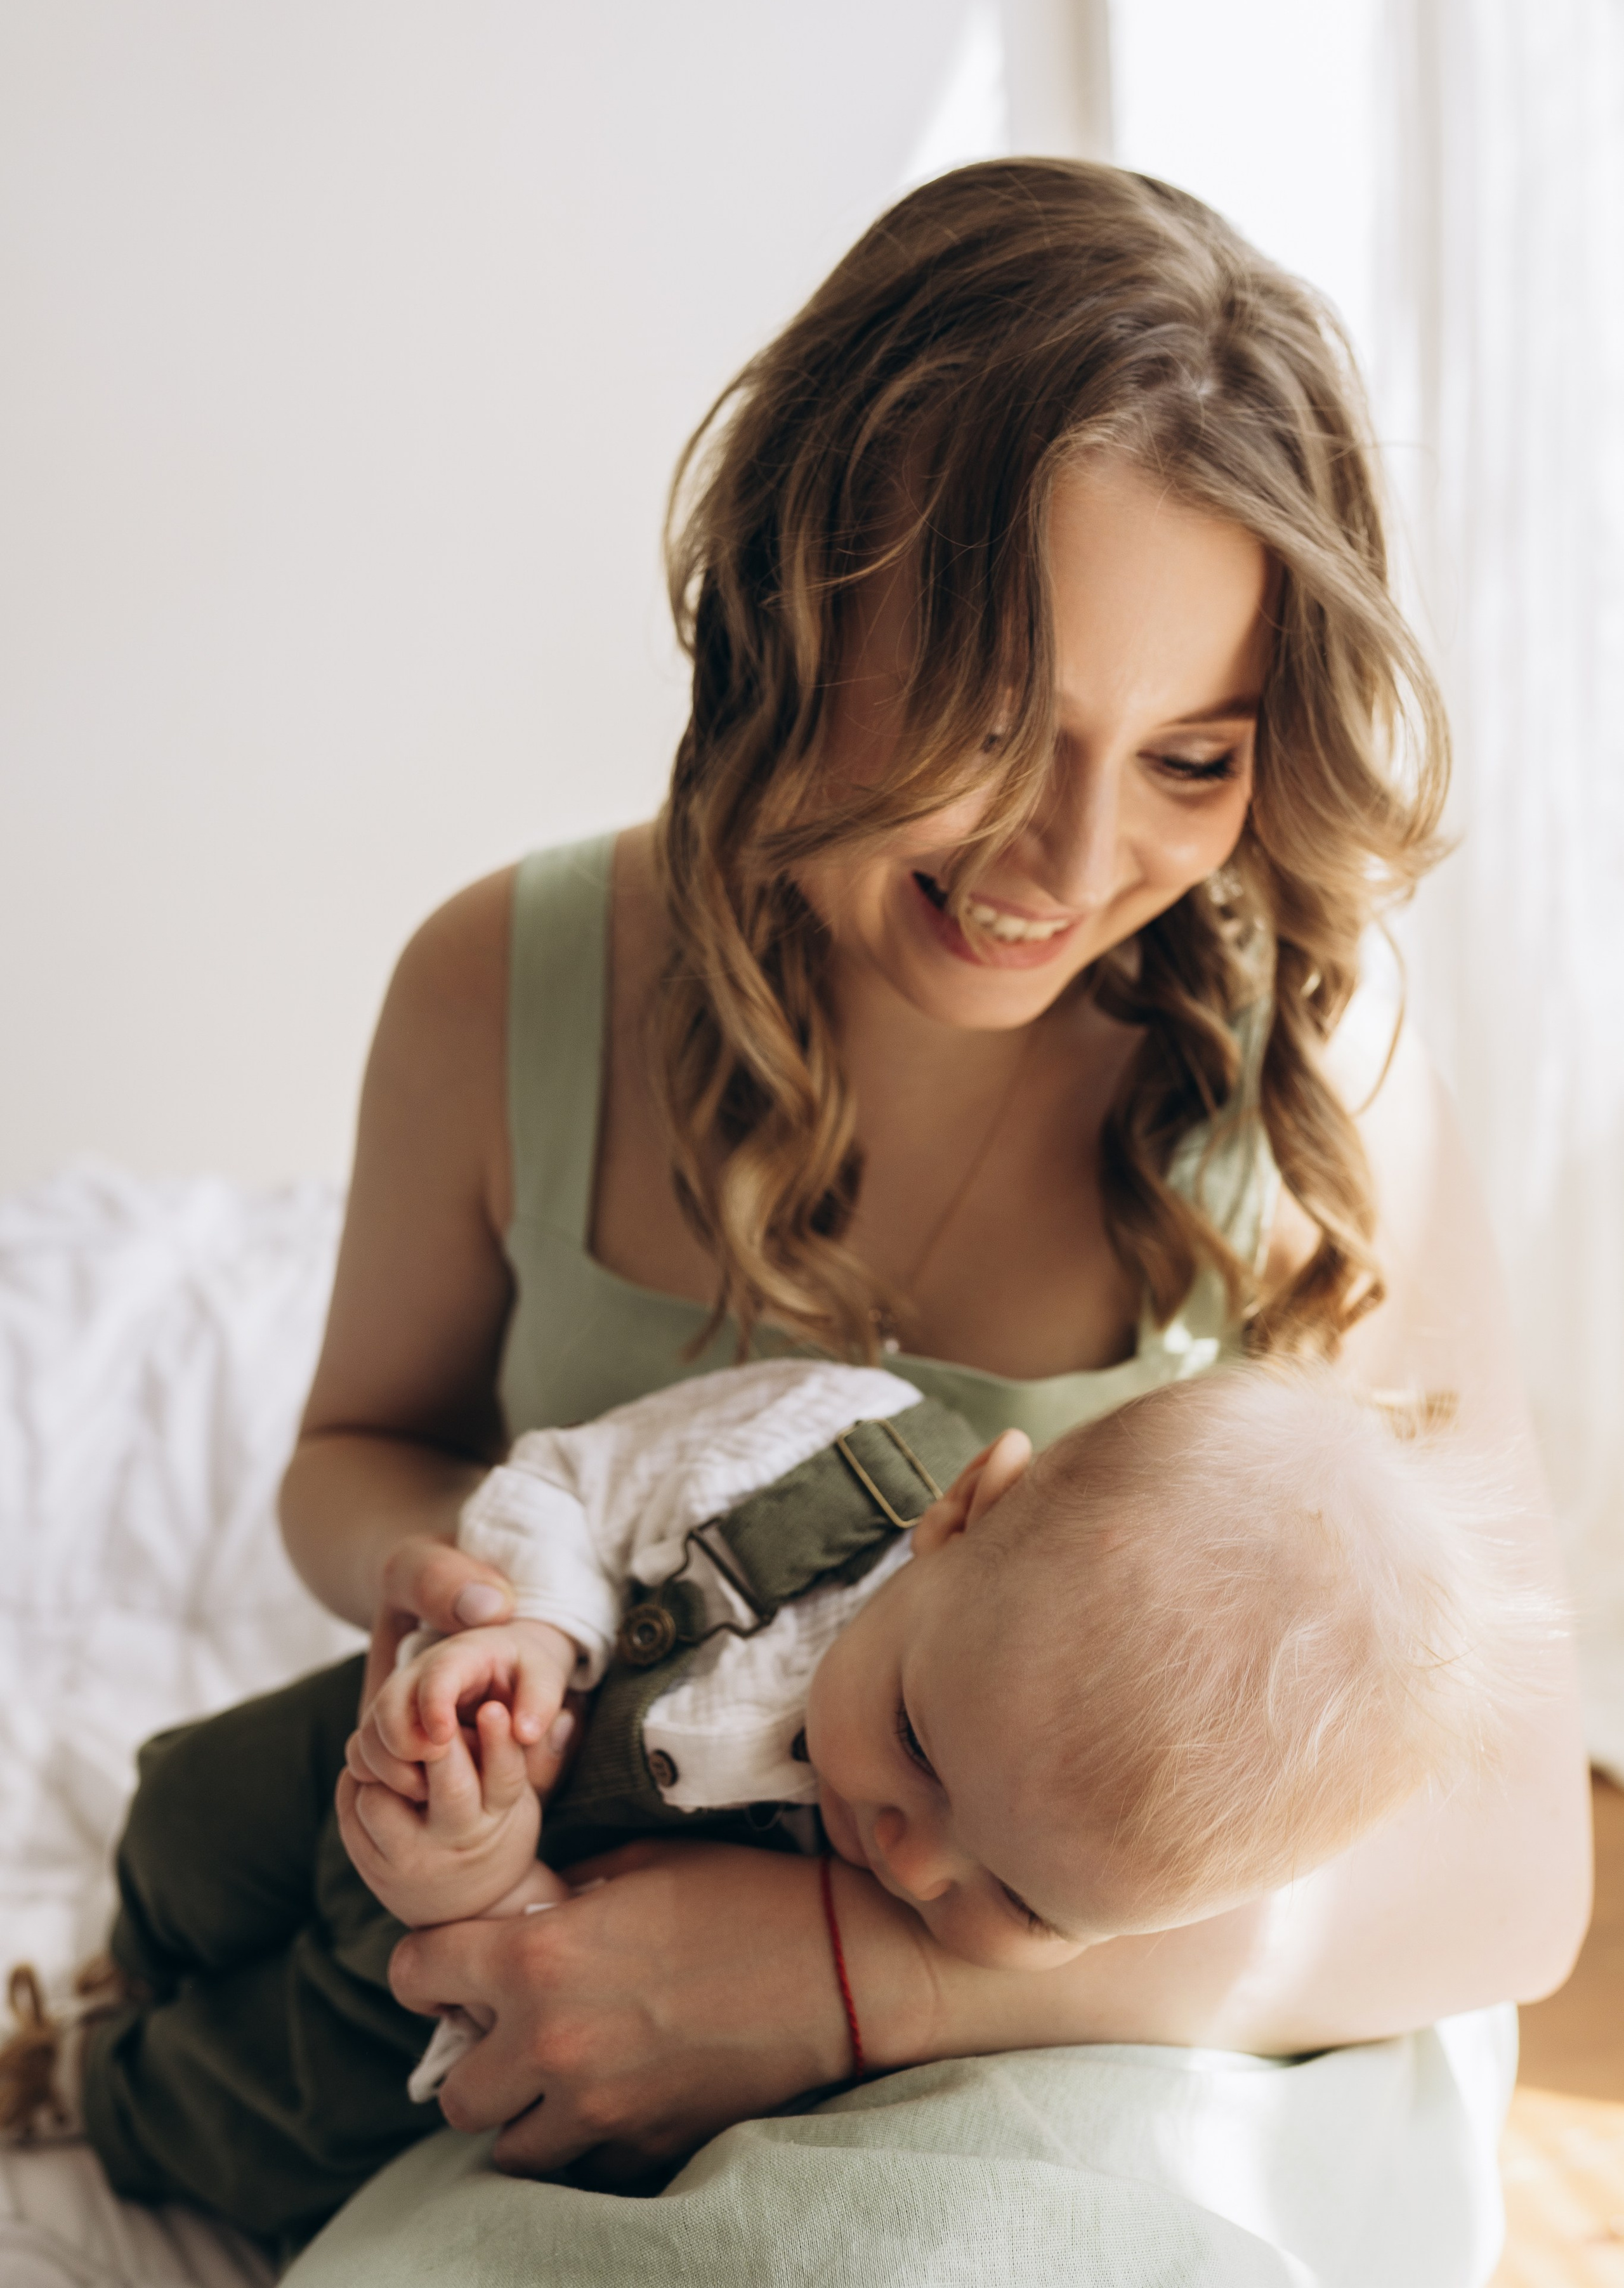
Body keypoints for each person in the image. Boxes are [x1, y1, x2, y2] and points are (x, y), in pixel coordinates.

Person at [266, 158, 1585, 2209]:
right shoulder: (498, 988)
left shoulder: (1312, 1096)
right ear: (798, 598)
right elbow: (353, 1450)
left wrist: (838, 1983)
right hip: (588, 1976)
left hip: (1136, 2040)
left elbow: (1513, 1878)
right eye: (994, 714)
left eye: (1189, 756)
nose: (1069, 862)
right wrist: (496, 1595)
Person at [18, 1361, 1542, 2249]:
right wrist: (528, 1629)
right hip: (399, 1734)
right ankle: (130, 1941)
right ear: (963, 1513)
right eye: (918, 1744)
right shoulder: (815, 1459)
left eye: (1019, 1904)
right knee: (188, 1819)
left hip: (450, 1974)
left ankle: (92, 2076)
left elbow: (587, 2016)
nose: (907, 1857)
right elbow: (572, 1481)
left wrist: (481, 1888)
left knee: (264, 2114)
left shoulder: (883, 1987)